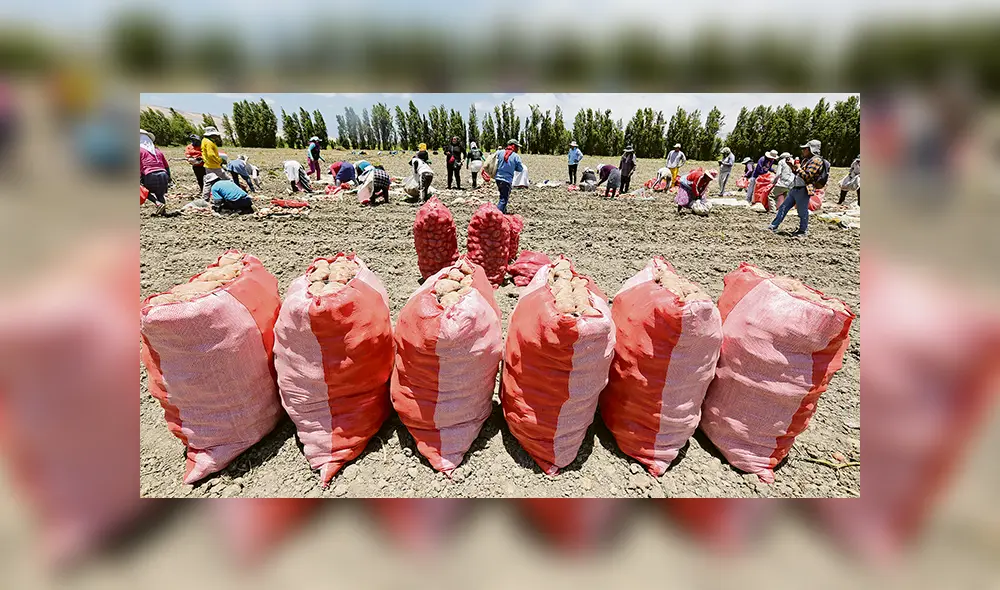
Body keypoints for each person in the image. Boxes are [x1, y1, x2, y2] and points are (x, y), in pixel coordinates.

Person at [768, 139, 826, 238]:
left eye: (805, 149)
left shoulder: (816, 160)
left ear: (811, 149)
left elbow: (808, 176)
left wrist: (798, 167)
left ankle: (803, 230)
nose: (803, 151)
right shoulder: (806, 160)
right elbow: (798, 174)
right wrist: (792, 166)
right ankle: (773, 226)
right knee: (783, 207)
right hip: (795, 187)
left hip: (804, 189)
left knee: (802, 211)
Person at [140, 129, 171, 216]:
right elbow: (166, 165)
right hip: (163, 174)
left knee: (144, 191)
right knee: (160, 194)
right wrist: (169, 177)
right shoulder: (157, 151)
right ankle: (163, 212)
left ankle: (157, 203)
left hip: (150, 174)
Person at [493, 139, 523, 213]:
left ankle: (503, 212)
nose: (518, 149)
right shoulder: (516, 156)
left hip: (498, 179)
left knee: (502, 196)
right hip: (506, 180)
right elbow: (520, 169)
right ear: (514, 146)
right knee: (504, 199)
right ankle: (497, 215)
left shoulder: (500, 152)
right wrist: (513, 166)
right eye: (517, 147)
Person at [200, 127, 229, 200]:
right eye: (215, 135)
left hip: (208, 164)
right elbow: (211, 155)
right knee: (226, 179)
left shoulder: (204, 140)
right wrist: (220, 160)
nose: (216, 137)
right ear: (211, 135)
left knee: (209, 181)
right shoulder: (209, 143)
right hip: (214, 165)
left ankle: (205, 197)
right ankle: (229, 194)